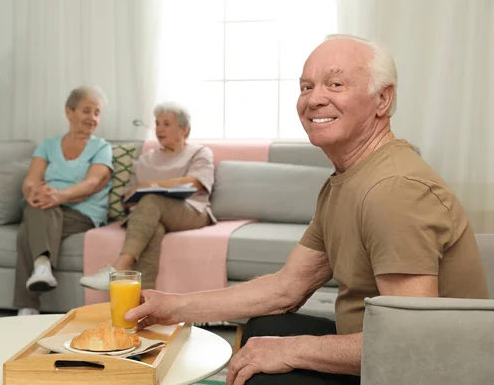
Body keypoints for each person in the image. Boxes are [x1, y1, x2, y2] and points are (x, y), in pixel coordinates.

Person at [123, 34, 490, 385]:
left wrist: (292, 350)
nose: (314, 99)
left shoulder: (393, 191)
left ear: (382, 99)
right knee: (263, 330)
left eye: (335, 85)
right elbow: (286, 288)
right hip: (377, 347)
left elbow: (411, 341)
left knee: (268, 363)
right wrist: (171, 306)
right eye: (306, 86)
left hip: (426, 370)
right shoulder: (344, 181)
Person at [79, 102, 215, 290]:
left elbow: (196, 182)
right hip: (151, 215)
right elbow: (128, 196)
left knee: (151, 200)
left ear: (185, 130)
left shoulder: (199, 152)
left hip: (192, 212)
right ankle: (144, 301)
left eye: (166, 124)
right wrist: (132, 196)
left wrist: (154, 186)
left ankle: (118, 270)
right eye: (157, 123)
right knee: (154, 227)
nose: (159, 129)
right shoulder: (146, 158)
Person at [14, 86, 114, 316]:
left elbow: (92, 183)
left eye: (97, 113)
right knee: (38, 208)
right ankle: (40, 271)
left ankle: (29, 303)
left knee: (27, 231)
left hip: (82, 212)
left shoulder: (102, 148)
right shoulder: (48, 146)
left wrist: (58, 196)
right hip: (46, 206)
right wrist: (32, 193)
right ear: (69, 112)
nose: (92, 118)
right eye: (86, 111)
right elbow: (31, 179)